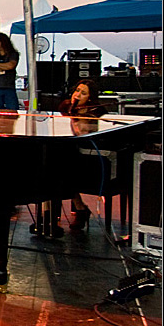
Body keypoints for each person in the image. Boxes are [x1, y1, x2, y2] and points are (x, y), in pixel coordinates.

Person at [58, 79, 107, 229]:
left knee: (62, 172)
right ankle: (53, 215)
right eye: (77, 91)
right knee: (56, 167)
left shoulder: (96, 112)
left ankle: (80, 209)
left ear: (90, 98)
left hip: (89, 155)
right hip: (69, 151)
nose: (77, 95)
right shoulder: (66, 106)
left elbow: (87, 134)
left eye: (83, 93)